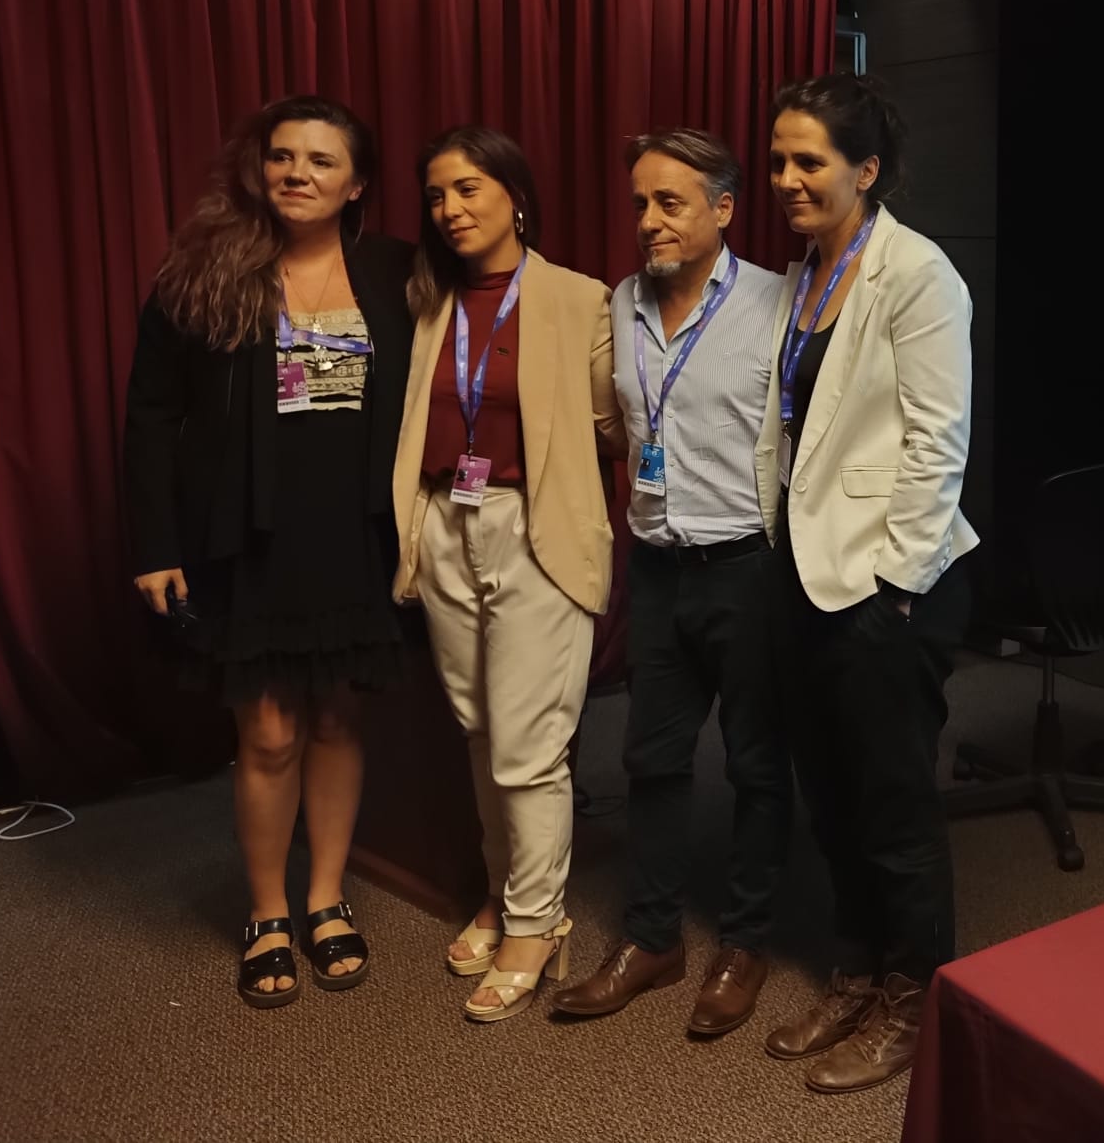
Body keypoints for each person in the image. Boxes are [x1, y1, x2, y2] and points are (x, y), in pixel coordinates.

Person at [123, 95, 415, 1009]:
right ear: (261, 169)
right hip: (246, 537)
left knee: (336, 721)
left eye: (322, 161)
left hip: (356, 533)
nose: (298, 173)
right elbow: (150, 417)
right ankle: (266, 913)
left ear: (357, 182)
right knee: (268, 731)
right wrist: (152, 544)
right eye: (283, 157)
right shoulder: (205, 271)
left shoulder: (396, 271)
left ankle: (326, 901)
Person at [754, 73, 978, 1093]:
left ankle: (914, 993)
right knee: (830, 794)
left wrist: (895, 583)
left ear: (866, 170)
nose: (787, 179)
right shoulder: (803, 272)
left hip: (890, 585)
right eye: (778, 161)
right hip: (804, 576)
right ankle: (856, 966)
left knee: (891, 804)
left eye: (810, 161)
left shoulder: (916, 275)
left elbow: (938, 442)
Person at [551, 129, 792, 1037]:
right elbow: (622, 423)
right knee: (649, 759)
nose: (648, 222)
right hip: (656, 567)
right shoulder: (622, 303)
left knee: (759, 764)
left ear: (723, 209)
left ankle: (747, 942)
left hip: (750, 569)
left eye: (670, 203)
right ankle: (653, 939)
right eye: (641, 205)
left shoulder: (777, 302)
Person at [391, 125, 623, 1023]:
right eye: (438, 194)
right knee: (482, 728)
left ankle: (537, 921)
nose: (450, 209)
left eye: (469, 190)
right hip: (446, 519)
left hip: (535, 529)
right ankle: (504, 891)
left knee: (530, 743)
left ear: (515, 196)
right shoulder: (426, 302)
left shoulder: (577, 299)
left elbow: (614, 423)